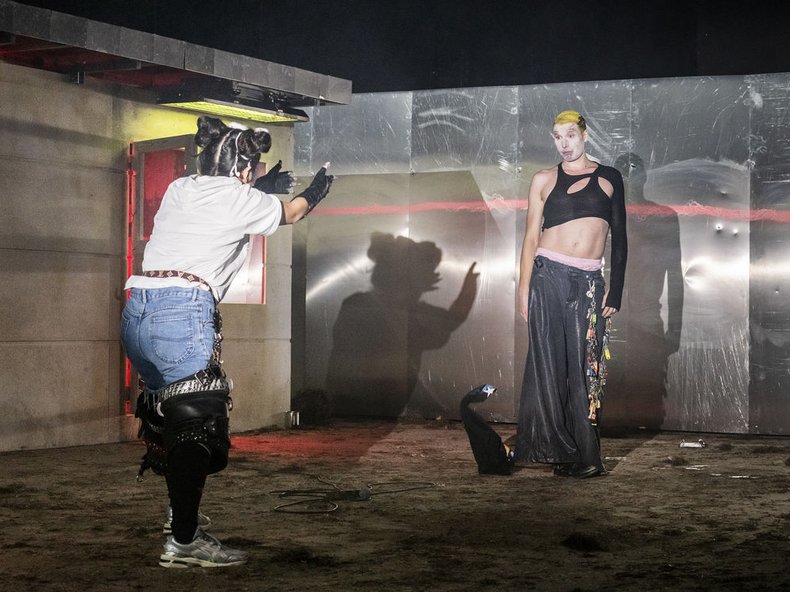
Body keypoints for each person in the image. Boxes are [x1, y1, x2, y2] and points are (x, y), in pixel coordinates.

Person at [121, 116, 333, 567]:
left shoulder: (180, 188)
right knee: (198, 426)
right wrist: (316, 190)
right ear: (244, 169)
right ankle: (183, 541)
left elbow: (219, 204)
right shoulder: (241, 198)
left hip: (138, 308)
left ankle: (179, 519)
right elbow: (292, 213)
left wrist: (261, 186)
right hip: (182, 311)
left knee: (170, 422)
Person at [515, 109, 627, 479]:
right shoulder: (543, 179)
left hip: (588, 284)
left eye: (570, 135)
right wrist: (523, 290)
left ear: (584, 135)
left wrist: (616, 290)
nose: (564, 143)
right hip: (546, 277)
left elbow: (620, 238)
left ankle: (589, 458)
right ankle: (559, 451)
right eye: (557, 136)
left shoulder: (609, 177)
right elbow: (530, 238)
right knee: (549, 367)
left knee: (585, 371)